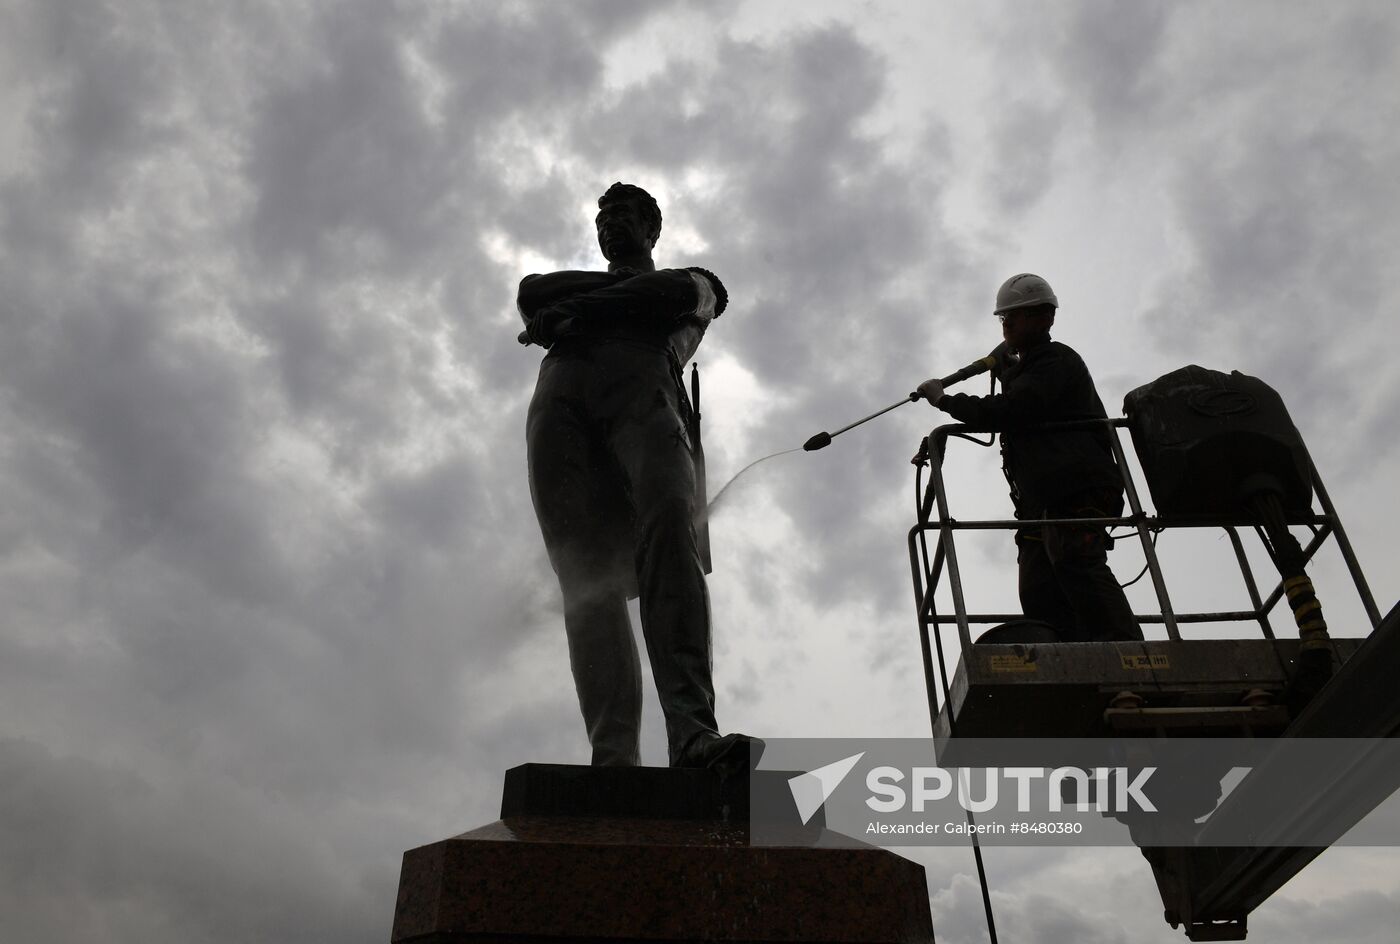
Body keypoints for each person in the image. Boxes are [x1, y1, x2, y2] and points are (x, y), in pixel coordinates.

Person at [519, 182, 759, 769]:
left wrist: (580, 310)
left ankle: (693, 735)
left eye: (622, 213)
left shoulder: (695, 279)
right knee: (583, 576)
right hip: (560, 401)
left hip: (646, 392)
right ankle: (613, 752)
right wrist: (615, 300)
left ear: (652, 228)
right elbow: (533, 293)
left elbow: (684, 292)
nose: (609, 223)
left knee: (669, 534)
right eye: (600, 215)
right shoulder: (562, 288)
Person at [917, 273, 1143, 642]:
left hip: (1079, 488)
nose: (1005, 325)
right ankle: (1076, 664)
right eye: (1003, 319)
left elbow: (1015, 408)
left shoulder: (1056, 361)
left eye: (1013, 317)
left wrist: (946, 401)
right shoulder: (1026, 368)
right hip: (1042, 502)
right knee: (1038, 588)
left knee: (1078, 563)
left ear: (1043, 318)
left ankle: (1133, 661)